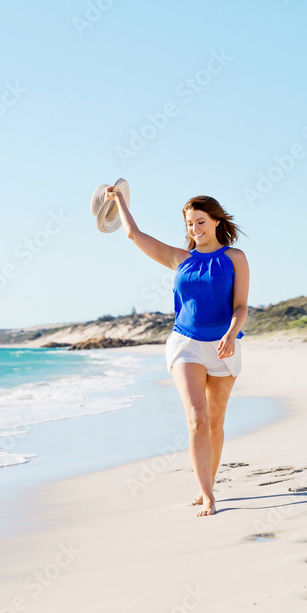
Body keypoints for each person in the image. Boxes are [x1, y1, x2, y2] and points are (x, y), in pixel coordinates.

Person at [105, 185, 248, 517]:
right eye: (189, 224)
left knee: (215, 422)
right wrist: (120, 201)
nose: (194, 229)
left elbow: (241, 306)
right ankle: (207, 495)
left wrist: (231, 334)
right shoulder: (180, 259)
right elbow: (133, 234)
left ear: (215, 222)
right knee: (197, 420)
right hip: (185, 343)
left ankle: (207, 483)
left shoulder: (234, 258)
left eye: (200, 222)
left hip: (224, 345)